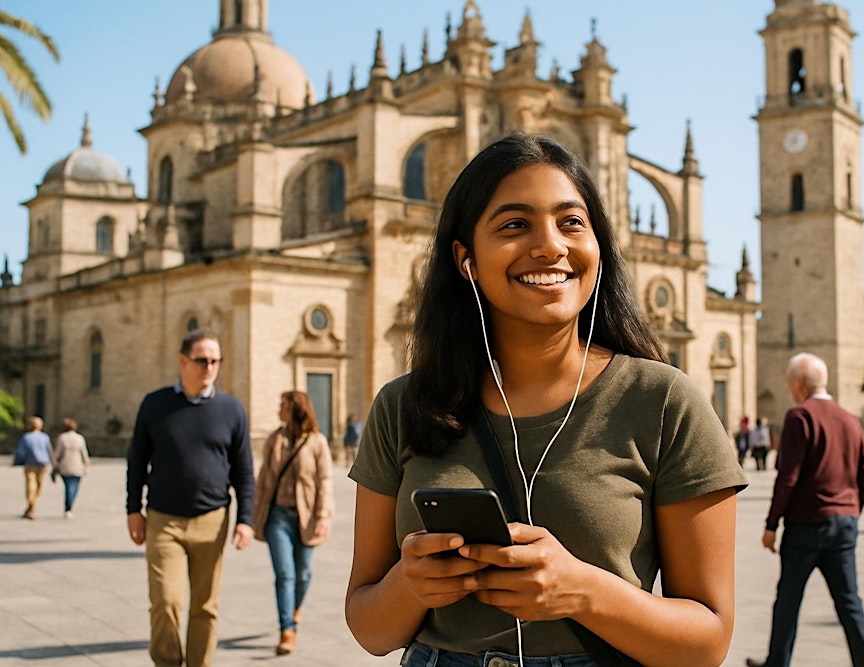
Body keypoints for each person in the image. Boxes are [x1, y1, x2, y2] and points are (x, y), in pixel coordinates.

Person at [345, 133, 748, 666]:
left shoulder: (665, 402)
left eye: (571, 222)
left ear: (598, 248)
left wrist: (582, 591)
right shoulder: (403, 407)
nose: (550, 246)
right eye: (514, 225)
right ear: (465, 259)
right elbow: (371, 629)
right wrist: (410, 585)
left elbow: (708, 642)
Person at [126, 329, 255, 667]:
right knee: (166, 601)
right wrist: (132, 509)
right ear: (182, 361)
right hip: (163, 520)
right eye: (201, 360)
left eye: (215, 361)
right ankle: (167, 662)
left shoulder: (232, 410)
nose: (209, 367)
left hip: (212, 521)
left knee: (205, 605)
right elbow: (137, 460)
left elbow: (243, 470)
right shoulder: (155, 405)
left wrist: (245, 520)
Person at [747, 353, 864, 667]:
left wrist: (771, 524)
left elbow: (788, 477)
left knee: (788, 601)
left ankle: (776, 663)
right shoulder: (850, 419)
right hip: (844, 525)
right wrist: (851, 507)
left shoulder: (800, 417)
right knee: (850, 603)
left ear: (798, 383)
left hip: (807, 526)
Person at [253, 390, 335, 655]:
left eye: (283, 405)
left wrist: (323, 517)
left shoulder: (316, 442)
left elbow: (325, 482)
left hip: (306, 517)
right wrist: (252, 515)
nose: (279, 409)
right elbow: (264, 478)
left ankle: (295, 608)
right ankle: (287, 628)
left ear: (296, 408)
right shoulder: (275, 439)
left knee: (303, 574)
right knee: (285, 574)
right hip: (277, 515)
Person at [13, 416, 52, 520]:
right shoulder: (45, 437)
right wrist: (52, 462)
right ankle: (32, 508)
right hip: (43, 463)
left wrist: (17, 461)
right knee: (39, 487)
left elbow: (21, 452)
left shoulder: (26, 437)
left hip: (30, 463)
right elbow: (49, 450)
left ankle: (31, 508)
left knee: (30, 485)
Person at [51, 417, 90, 518]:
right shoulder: (79, 438)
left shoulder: (62, 437)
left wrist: (54, 463)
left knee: (68, 487)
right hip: (78, 466)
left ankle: (68, 507)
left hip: (65, 465)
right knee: (75, 487)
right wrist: (86, 464)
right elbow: (84, 453)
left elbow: (57, 453)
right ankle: (70, 505)